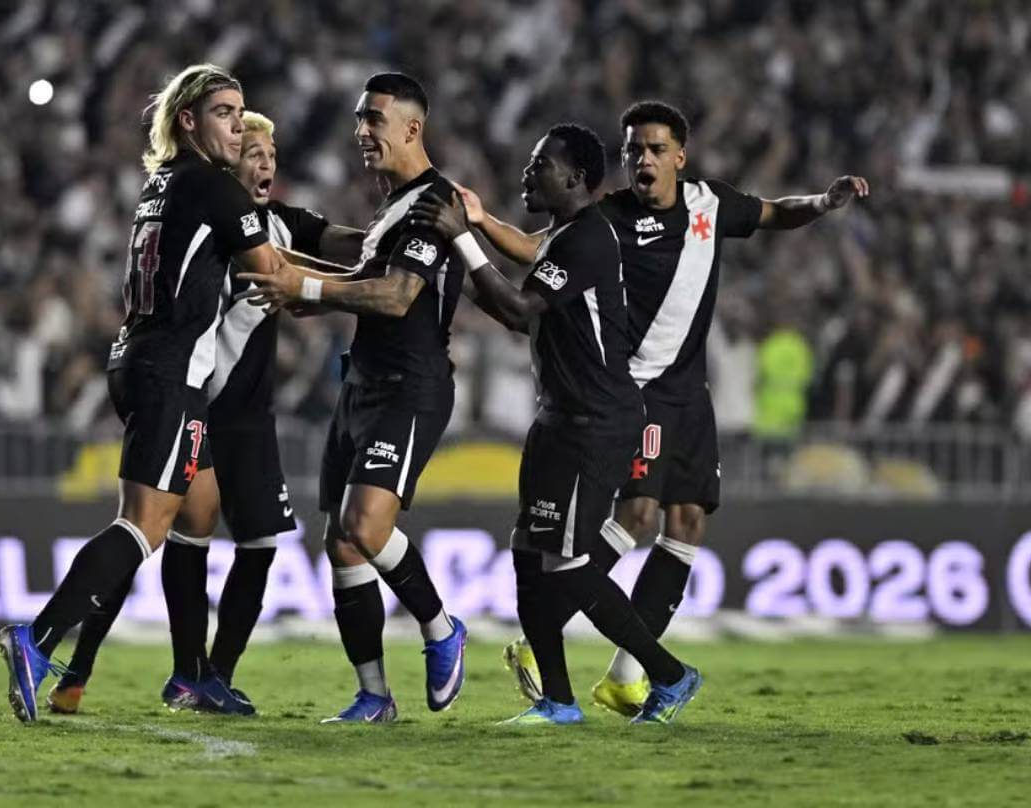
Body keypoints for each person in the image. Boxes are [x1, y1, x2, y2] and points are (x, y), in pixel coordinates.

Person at [414, 100, 868, 717]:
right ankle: (565, 646)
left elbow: (772, 212)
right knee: (634, 515)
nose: (643, 160)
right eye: (633, 150)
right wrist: (480, 221)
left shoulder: (710, 204)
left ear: (680, 156)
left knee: (687, 523)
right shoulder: (607, 218)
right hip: (634, 386)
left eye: (655, 149)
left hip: (688, 390)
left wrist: (821, 202)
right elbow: (540, 252)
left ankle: (625, 673)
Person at [0, 65, 295, 723]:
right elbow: (272, 274)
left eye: (239, 111)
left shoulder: (163, 183)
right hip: (171, 373)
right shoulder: (214, 186)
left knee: (199, 509)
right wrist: (366, 284)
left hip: (138, 359)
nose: (236, 125)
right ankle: (37, 641)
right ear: (188, 120)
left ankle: (190, 674)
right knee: (142, 525)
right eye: (223, 112)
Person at [44, 112, 364, 717]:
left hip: (249, 415)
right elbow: (285, 275)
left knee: (249, 541)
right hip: (203, 399)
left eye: (271, 155)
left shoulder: (279, 220)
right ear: (226, 162)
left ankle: (206, 674)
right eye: (252, 153)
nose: (265, 164)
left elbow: (333, 240)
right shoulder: (223, 224)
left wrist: (387, 242)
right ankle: (94, 665)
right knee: (157, 529)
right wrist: (369, 287)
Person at [413, 123, 701, 725]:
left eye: (540, 164)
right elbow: (513, 304)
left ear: (575, 178)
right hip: (559, 417)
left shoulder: (588, 240)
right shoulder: (564, 236)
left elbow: (519, 309)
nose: (527, 172)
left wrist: (464, 238)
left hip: (596, 422)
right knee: (528, 553)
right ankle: (559, 701)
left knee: (566, 563)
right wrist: (463, 248)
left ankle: (670, 675)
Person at [238, 73, 467, 724]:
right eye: (359, 118)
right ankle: (374, 696)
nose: (362, 131)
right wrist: (293, 278)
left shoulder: (433, 203)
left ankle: (442, 628)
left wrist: (305, 288)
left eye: (374, 119)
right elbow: (360, 279)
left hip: (411, 388)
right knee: (341, 542)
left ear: (412, 128)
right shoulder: (391, 206)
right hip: (362, 383)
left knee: (366, 527)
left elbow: (395, 295)